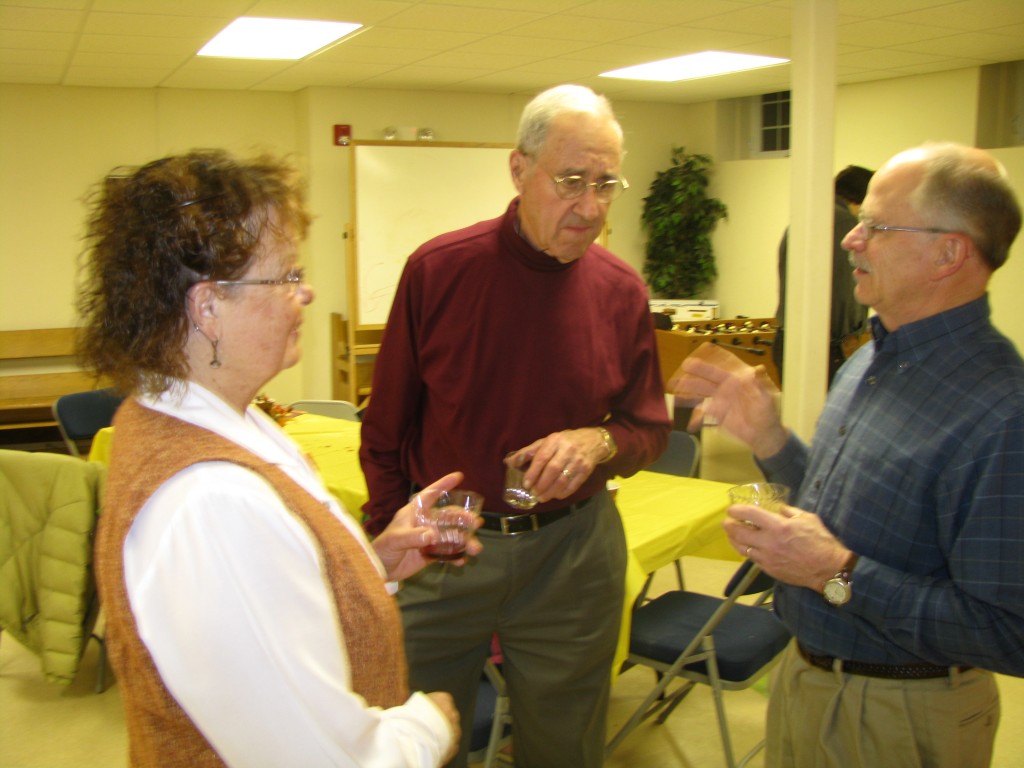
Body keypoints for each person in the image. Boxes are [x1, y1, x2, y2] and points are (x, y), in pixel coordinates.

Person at [80, 149, 481, 767]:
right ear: (208, 307)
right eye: (287, 276)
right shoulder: (211, 499)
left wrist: (375, 564)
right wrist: (427, 728)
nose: (307, 291)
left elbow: (263, 610)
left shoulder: (185, 416)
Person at [671, 142, 1024, 768]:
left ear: (950, 252)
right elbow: (839, 513)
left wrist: (834, 572)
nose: (850, 240)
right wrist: (770, 440)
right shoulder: (870, 357)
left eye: (877, 226)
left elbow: (1008, 632)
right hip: (808, 677)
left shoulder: (1002, 411)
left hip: (903, 712)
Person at [359, 84, 670, 767]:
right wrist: (394, 530)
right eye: (570, 181)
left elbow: (648, 427)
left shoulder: (620, 291)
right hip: (447, 544)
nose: (589, 207)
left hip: (573, 554)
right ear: (519, 169)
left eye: (606, 184)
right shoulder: (439, 271)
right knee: (415, 740)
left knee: (564, 745)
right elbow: (384, 427)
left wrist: (601, 441)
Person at [773, 165, 874, 387]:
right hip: (825, 348)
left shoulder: (806, 219)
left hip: (788, 339)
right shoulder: (846, 225)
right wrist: (856, 334)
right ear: (862, 199)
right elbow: (847, 294)